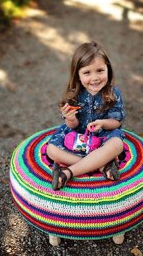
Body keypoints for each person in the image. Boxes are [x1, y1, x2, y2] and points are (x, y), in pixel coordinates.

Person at [47, 41, 126, 190]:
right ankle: (101, 165)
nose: (95, 78)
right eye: (87, 73)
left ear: (108, 69)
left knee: (117, 145)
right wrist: (70, 119)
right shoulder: (74, 94)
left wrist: (103, 123)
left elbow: (116, 121)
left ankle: (68, 173)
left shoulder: (113, 93)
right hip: (77, 135)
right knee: (51, 150)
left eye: (100, 71)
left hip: (104, 134)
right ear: (77, 74)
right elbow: (72, 125)